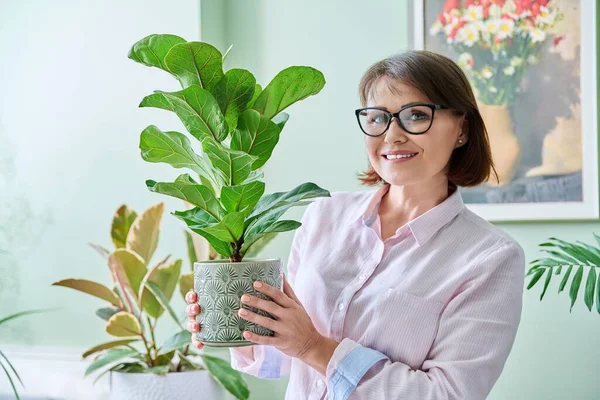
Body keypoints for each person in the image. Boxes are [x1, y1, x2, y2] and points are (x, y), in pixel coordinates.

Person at [184, 50, 525, 400]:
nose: (392, 136)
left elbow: (448, 395)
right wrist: (238, 323)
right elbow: (280, 363)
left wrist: (313, 346)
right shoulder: (324, 215)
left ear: (462, 129)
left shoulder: (489, 258)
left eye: (417, 115)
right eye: (378, 118)